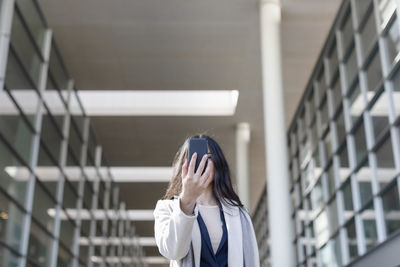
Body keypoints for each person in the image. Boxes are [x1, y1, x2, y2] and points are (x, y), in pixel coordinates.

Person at [153, 134, 260, 267]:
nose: (201, 163)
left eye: (208, 158)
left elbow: (251, 260)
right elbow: (172, 251)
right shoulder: (166, 208)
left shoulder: (239, 213)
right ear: (184, 166)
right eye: (194, 158)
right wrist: (187, 199)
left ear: (218, 163)